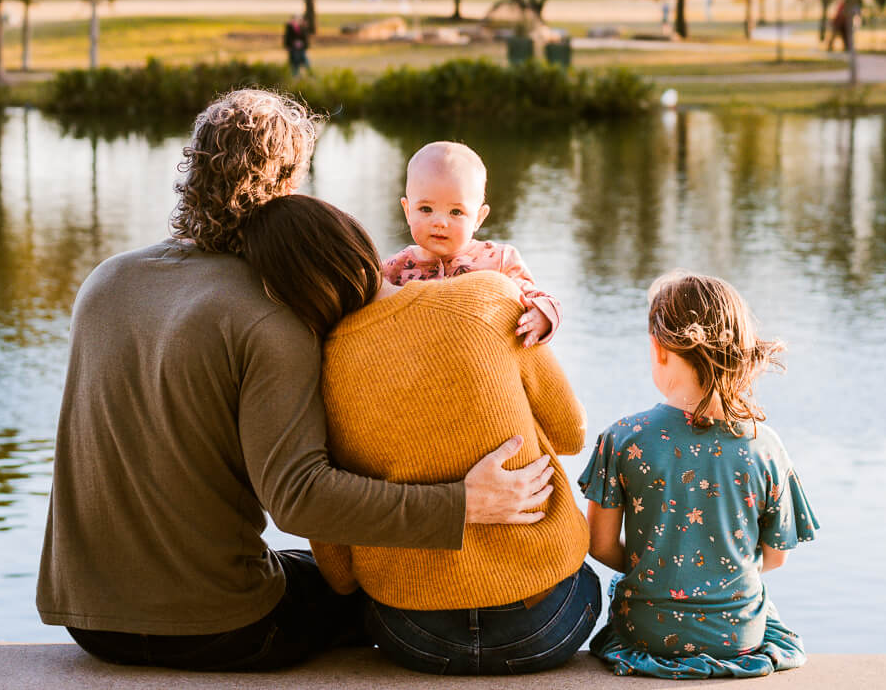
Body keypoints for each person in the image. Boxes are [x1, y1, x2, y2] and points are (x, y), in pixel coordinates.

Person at [36, 89, 557, 671]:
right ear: (285, 186)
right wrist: (461, 504)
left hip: (89, 621)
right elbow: (300, 499)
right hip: (222, 627)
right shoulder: (272, 310)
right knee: (374, 582)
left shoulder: (104, 284)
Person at [240, 194, 600, 675]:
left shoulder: (318, 368)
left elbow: (340, 570)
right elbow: (572, 432)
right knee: (589, 580)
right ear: (357, 240)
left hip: (413, 633)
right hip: (546, 623)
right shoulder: (489, 297)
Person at [580, 271, 817, 677]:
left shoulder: (623, 438)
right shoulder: (765, 445)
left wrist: (662, 573)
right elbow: (776, 558)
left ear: (658, 349)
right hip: (738, 634)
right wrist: (713, 575)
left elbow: (599, 547)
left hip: (646, 632)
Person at [384, 141, 562, 346]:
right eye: (425, 209)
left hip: (479, 362)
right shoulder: (393, 269)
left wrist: (541, 316)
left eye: (456, 212)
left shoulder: (498, 260)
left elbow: (539, 299)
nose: (440, 222)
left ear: (479, 217)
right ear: (407, 211)